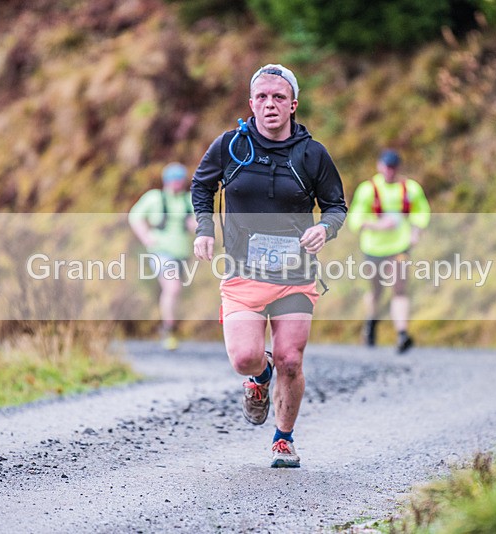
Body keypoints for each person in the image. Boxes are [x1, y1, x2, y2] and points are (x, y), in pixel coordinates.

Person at [191, 64, 347, 468]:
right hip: (243, 273)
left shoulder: (312, 154)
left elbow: (336, 205)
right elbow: (202, 185)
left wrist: (325, 229)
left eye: (279, 97)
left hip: (295, 276)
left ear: (293, 105)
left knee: (290, 360)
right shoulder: (231, 146)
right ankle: (260, 377)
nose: (270, 104)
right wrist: (205, 229)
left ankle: (283, 439)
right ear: (251, 103)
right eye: (262, 97)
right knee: (244, 358)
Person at [346, 149, 430, 353]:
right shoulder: (368, 189)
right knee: (376, 291)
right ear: (379, 166)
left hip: (399, 247)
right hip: (373, 248)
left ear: (398, 168)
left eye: (393, 167)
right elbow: (355, 220)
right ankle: (371, 322)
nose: (390, 171)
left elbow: (422, 212)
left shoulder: (410, 189)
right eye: (386, 167)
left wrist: (416, 231)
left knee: (399, 288)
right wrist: (378, 225)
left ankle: (402, 334)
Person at [129, 162, 196, 351]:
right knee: (173, 287)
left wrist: (198, 228)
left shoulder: (189, 200)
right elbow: (135, 216)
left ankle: (169, 325)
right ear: (166, 180)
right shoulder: (154, 198)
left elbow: (199, 222)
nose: (177, 183)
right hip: (160, 252)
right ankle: (169, 329)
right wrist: (146, 237)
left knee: (174, 291)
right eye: (173, 179)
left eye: (180, 179)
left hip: (182, 254)